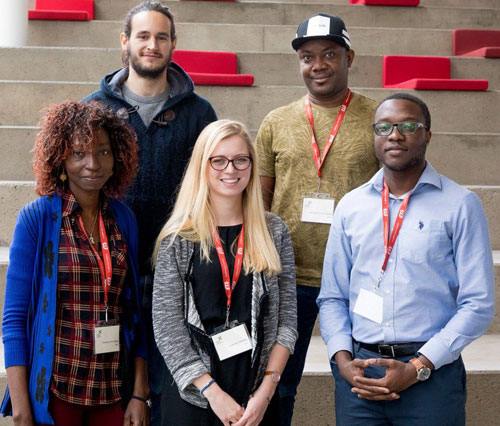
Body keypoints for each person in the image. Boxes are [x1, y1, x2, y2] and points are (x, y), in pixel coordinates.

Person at [317, 93, 495, 425]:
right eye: (383, 127)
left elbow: (478, 304)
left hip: (431, 376)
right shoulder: (351, 207)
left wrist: (417, 368)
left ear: (427, 134)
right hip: (361, 377)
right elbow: (332, 297)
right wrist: (343, 363)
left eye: (408, 126)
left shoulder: (461, 205)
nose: (394, 135)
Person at [83, 2, 217, 421]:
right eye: (143, 36)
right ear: (125, 41)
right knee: (113, 388)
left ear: (174, 44)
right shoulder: (95, 108)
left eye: (161, 37)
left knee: (169, 386)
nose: (152, 45)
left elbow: (211, 190)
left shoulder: (200, 113)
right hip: (109, 267)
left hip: (176, 270)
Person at [255, 13, 380, 424]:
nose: (319, 64)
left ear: (349, 57)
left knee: (363, 381)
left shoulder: (379, 119)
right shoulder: (276, 121)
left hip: (356, 277)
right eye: (308, 56)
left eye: (330, 53)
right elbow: (260, 199)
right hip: (289, 277)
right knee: (279, 384)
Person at [1, 100, 150, 426]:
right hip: (57, 392)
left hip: (112, 391)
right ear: (61, 158)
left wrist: (139, 393)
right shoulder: (36, 220)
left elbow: (135, 312)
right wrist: (23, 408)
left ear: (117, 157)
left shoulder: (124, 220)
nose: (92, 163)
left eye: (103, 151)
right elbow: (13, 319)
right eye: (79, 153)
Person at [152, 119, 298, 426]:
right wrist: (212, 393)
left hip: (256, 398)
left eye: (240, 159)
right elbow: (167, 328)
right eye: (218, 160)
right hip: (194, 398)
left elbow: (287, 323)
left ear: (252, 165)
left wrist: (266, 392)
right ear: (201, 166)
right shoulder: (179, 238)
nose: (230, 170)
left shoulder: (274, 231)